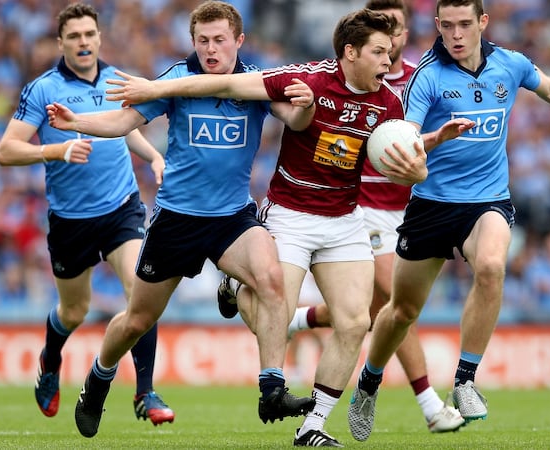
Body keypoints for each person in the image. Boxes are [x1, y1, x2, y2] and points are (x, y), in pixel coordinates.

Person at [94, 8, 472, 446]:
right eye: (380, 53)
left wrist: (430, 144)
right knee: (267, 319)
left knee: (355, 322)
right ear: (351, 53)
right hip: (290, 215)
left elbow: (394, 151)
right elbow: (226, 84)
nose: (390, 64)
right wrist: (155, 88)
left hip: (344, 219)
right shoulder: (307, 79)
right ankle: (241, 292)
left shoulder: (387, 102)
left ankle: (313, 426)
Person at [347, 0, 550, 441]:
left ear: (483, 22)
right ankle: (368, 385)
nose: (456, 34)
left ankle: (465, 380)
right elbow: (403, 141)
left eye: (465, 24)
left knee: (490, 266)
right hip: (432, 205)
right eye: (447, 26)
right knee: (402, 310)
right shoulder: (427, 77)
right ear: (439, 27)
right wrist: (434, 138)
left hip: (488, 201)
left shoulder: (510, 64)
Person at [46, 1, 316, 438]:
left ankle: (271, 387)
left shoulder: (257, 81)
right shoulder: (175, 80)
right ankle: (100, 376)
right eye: (203, 41)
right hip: (176, 220)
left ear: (238, 41)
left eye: (219, 40)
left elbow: (297, 121)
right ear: (193, 42)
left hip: (232, 218)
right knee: (137, 320)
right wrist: (77, 120)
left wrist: (303, 105)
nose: (211, 49)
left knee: (271, 279)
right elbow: (122, 122)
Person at [285, 0, 465, 434]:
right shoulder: (358, 81)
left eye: (400, 30)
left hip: (404, 208)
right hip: (361, 206)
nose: (394, 41)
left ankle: (299, 319)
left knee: (370, 311)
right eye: (387, 34)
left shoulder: (418, 82)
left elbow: (406, 145)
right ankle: (428, 404)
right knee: (395, 300)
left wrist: (434, 141)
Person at [0, 3, 174, 426]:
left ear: (99, 37)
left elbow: (123, 126)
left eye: (89, 34)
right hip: (71, 221)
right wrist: (56, 149)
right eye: (73, 36)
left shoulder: (116, 80)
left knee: (141, 295)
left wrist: (152, 156)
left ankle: (144, 392)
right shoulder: (43, 88)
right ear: (61, 42)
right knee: (74, 311)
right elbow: (6, 150)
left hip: (121, 209)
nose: (83, 42)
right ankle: (50, 361)